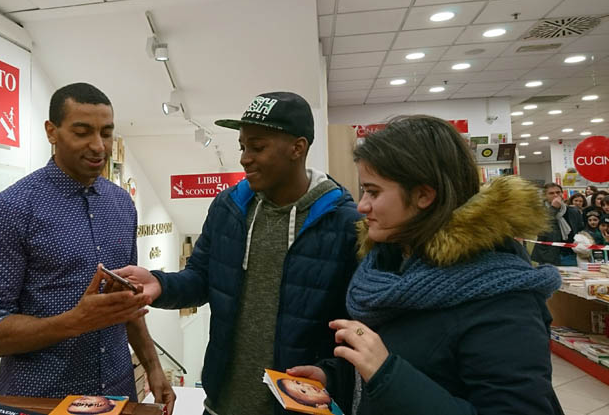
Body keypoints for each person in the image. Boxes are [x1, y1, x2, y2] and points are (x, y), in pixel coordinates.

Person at [285, 115, 563, 415]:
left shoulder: (502, 300)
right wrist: (334, 378)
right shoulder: (390, 268)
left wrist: (386, 375)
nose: (362, 206)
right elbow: (415, 359)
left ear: (423, 195)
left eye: (373, 192)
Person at [116, 92, 361, 415]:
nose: (245, 158)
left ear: (297, 148)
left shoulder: (343, 223)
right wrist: (161, 285)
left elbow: (356, 325)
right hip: (221, 404)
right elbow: (202, 277)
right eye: (243, 147)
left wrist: (331, 374)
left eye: (258, 147)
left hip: (298, 406)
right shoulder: (229, 207)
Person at [0, 83, 175, 412]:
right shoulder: (9, 210)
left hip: (118, 394)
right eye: (82, 132)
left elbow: (127, 301)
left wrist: (152, 366)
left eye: (106, 133)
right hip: (41, 398)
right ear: (52, 132)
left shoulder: (122, 204)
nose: (98, 146)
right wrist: (74, 321)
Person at [531, 183, 584, 266]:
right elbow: (540, 228)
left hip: (569, 254)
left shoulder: (573, 211)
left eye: (558, 192)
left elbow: (580, 229)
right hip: (548, 255)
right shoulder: (539, 211)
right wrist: (553, 208)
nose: (555, 195)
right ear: (545, 196)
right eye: (551, 193)